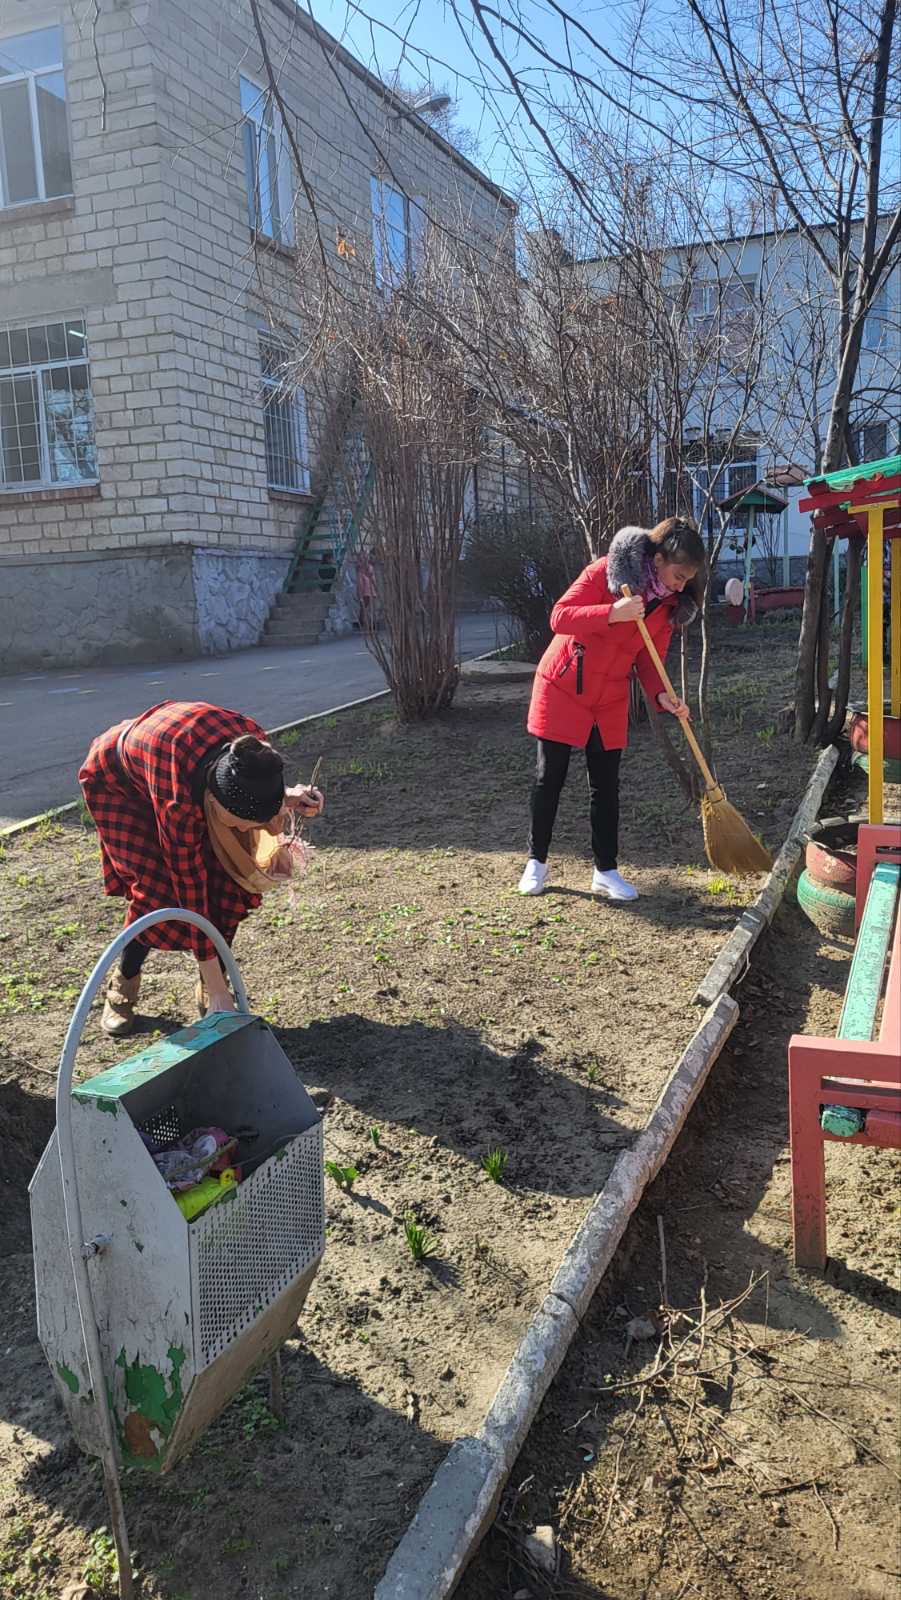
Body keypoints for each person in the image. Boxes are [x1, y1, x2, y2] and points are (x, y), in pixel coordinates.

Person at [78, 702, 324, 1036]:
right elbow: (190, 895)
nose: (245, 830)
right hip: (118, 783)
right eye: (240, 823)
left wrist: (288, 797)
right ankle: (125, 982)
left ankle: (211, 988)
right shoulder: (178, 803)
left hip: (174, 761)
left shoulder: (252, 748)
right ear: (213, 801)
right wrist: (223, 993)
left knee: (228, 885)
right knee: (156, 894)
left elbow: (257, 791)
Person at [518, 516, 706, 902]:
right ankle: (536, 862)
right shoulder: (605, 572)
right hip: (564, 684)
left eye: (687, 580)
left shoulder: (668, 607)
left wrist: (662, 696)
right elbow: (559, 617)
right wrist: (611, 613)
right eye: (678, 575)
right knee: (549, 777)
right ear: (658, 559)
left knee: (605, 786)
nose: (680, 585)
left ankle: (605, 871)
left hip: (609, 696)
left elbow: (650, 661)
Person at [356, 550, 375, 630]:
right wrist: (360, 595)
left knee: (367, 609)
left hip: (369, 591)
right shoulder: (361, 570)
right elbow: (360, 584)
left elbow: (372, 580)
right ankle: (365, 623)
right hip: (366, 592)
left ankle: (368, 624)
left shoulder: (369, 568)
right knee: (365, 609)